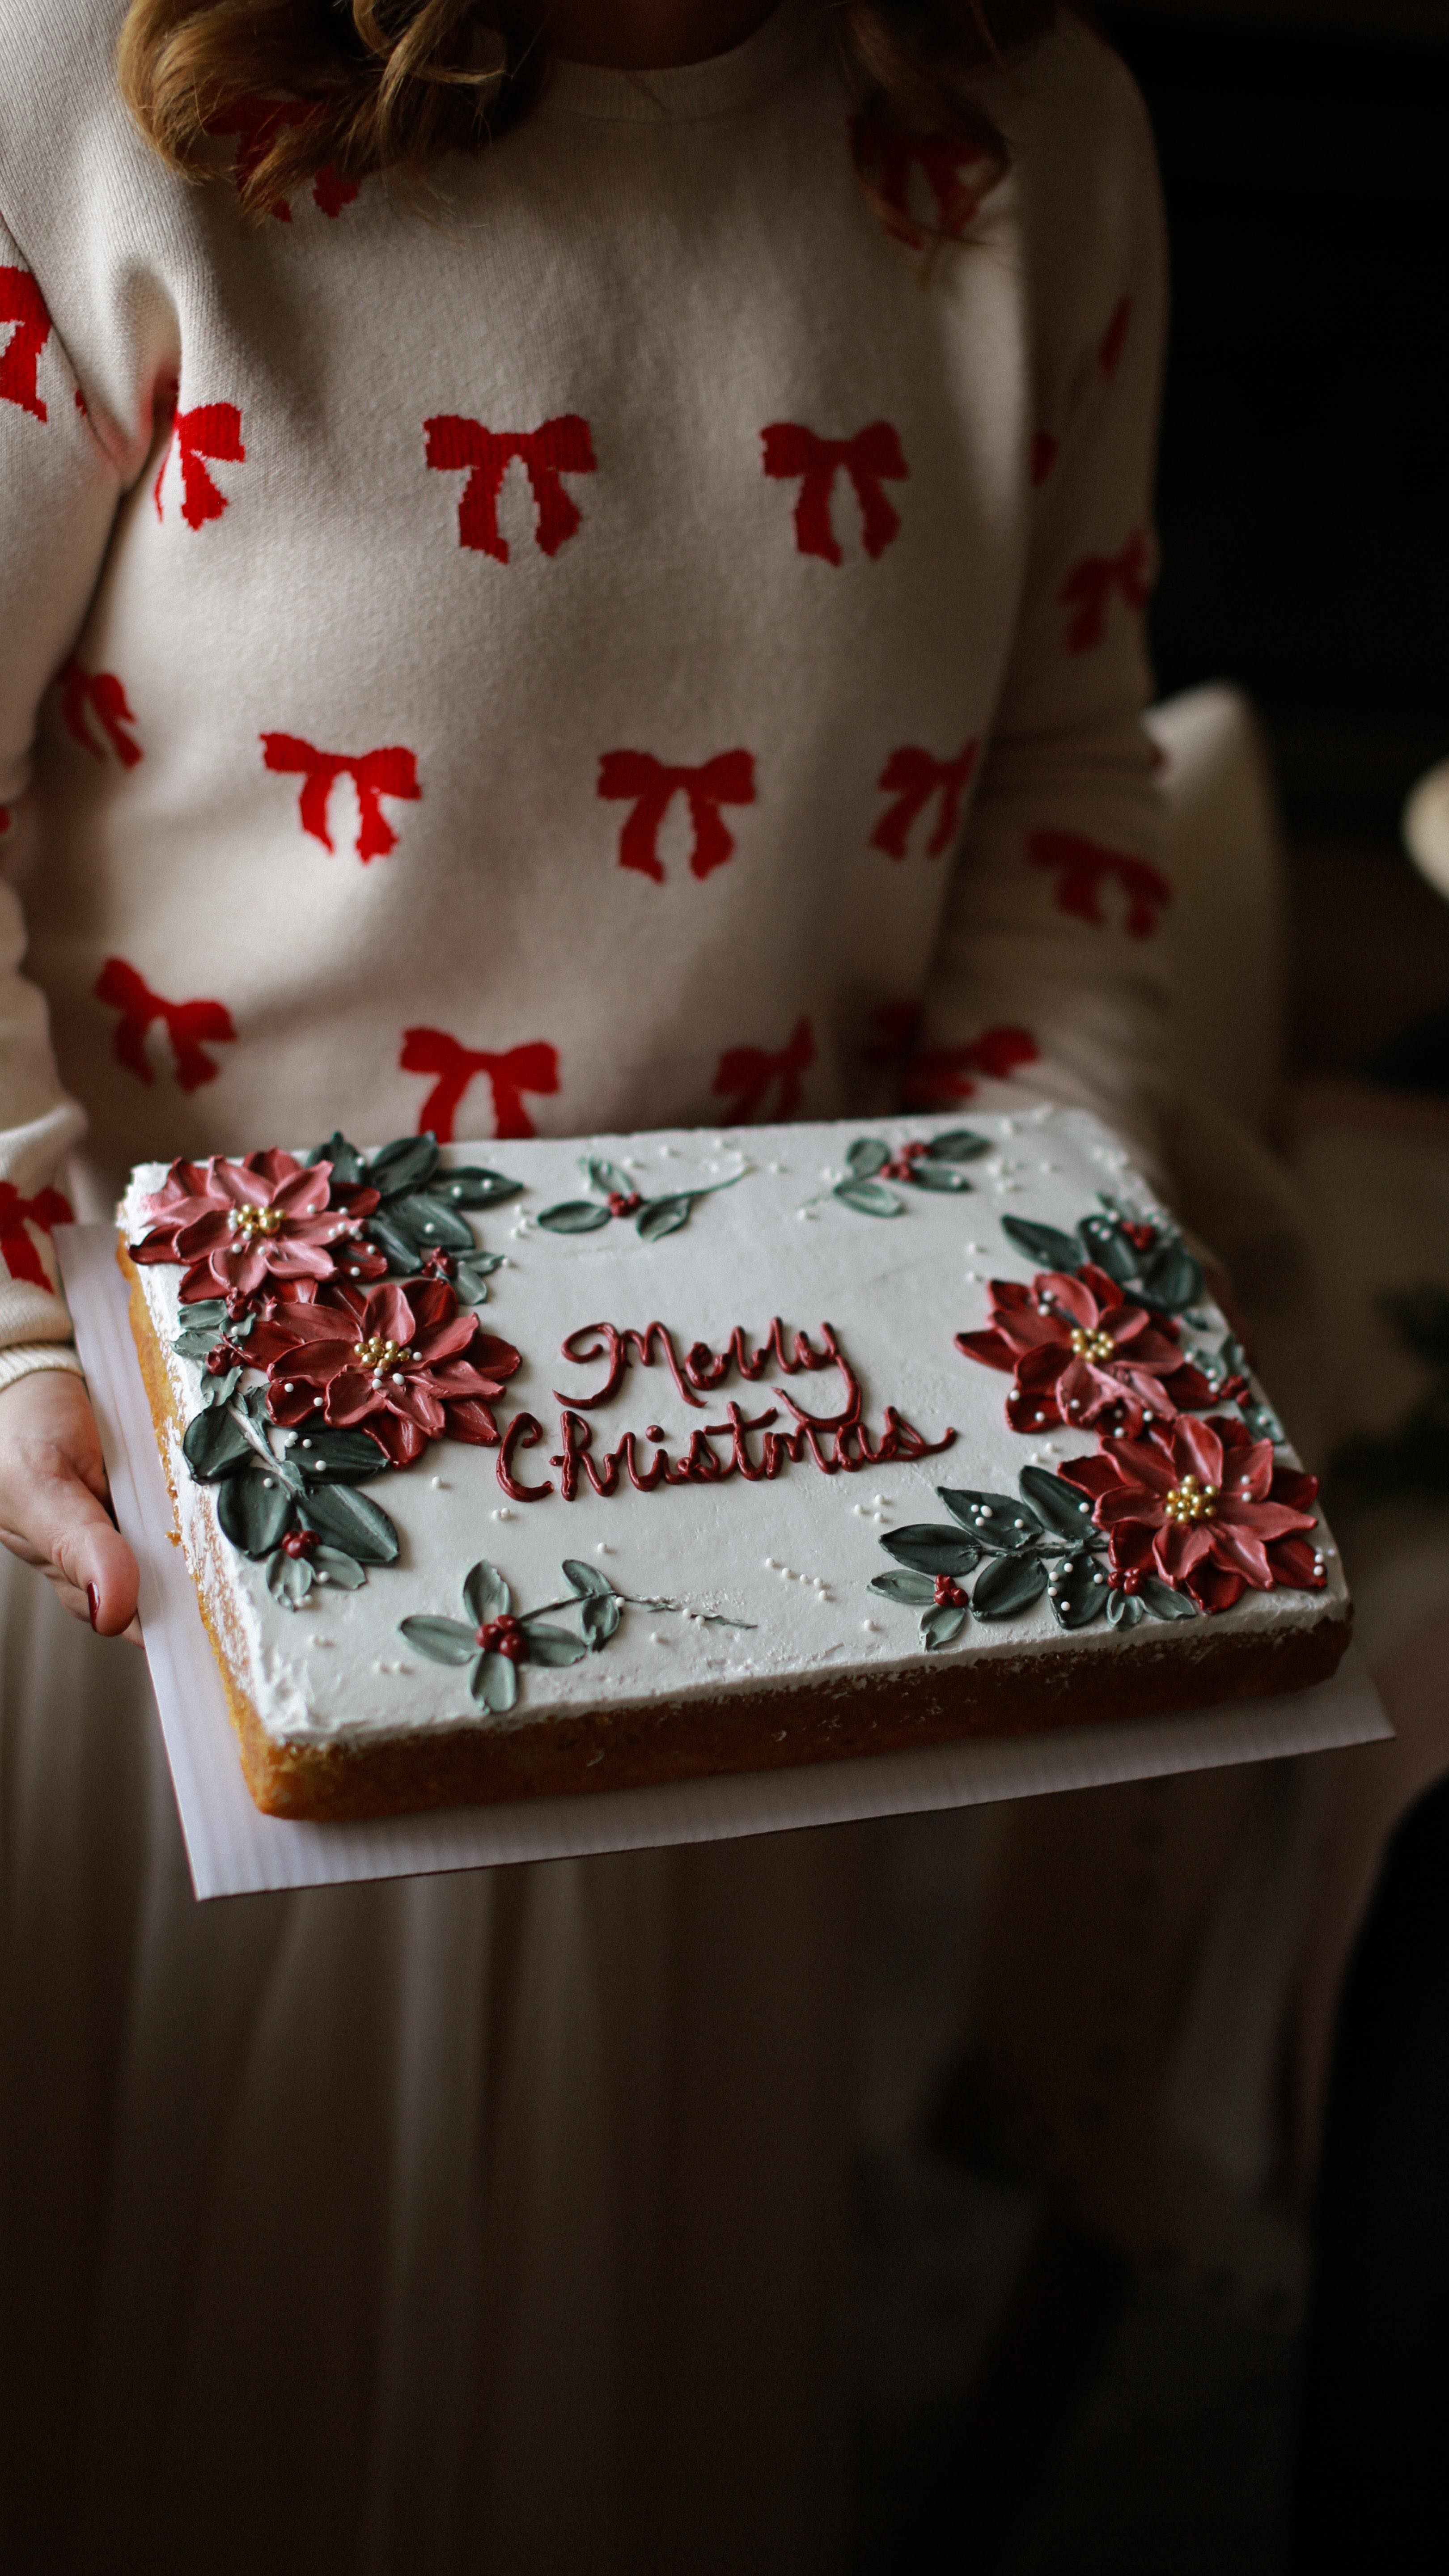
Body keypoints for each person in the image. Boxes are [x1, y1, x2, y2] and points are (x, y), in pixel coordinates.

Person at [0, 1, 1172, 2564]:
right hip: (164, 1518)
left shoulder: (1025, 125)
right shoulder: (92, 89)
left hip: (731, 1507)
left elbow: (1067, 771)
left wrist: (1021, 1295)